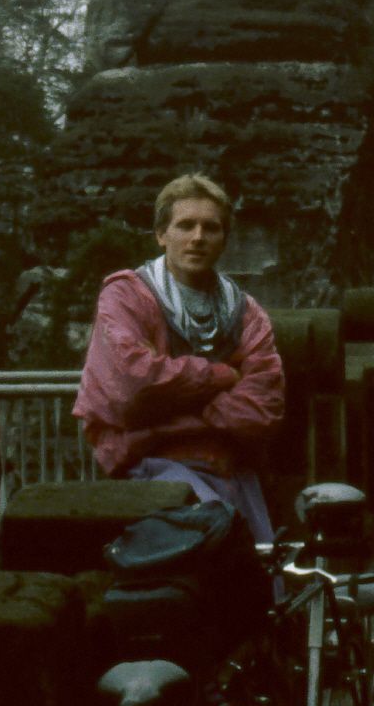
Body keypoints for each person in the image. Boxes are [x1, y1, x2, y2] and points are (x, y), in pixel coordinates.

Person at [73, 173, 285, 543]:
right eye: (185, 225)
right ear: (161, 234)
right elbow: (132, 387)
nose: (198, 237)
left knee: (263, 562)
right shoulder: (125, 296)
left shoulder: (246, 312)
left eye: (211, 227)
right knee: (217, 545)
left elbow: (263, 408)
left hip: (230, 468)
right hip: (150, 468)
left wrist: (171, 403)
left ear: (224, 239)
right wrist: (222, 377)